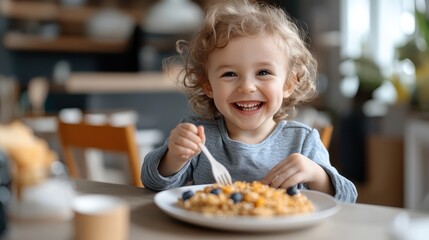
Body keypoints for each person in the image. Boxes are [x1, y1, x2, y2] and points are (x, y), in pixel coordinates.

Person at [141, 0, 357, 203]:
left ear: (288, 83)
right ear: (208, 85)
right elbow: (152, 182)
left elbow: (348, 199)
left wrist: (316, 174)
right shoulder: (200, 137)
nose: (247, 86)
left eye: (263, 72)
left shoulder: (302, 141)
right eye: (229, 74)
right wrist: (174, 157)